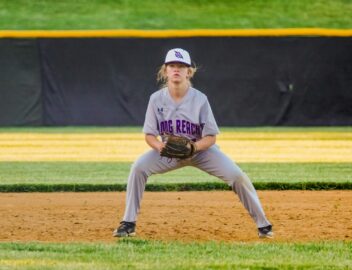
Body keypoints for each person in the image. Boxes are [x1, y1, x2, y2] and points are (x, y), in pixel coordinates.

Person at [113, 48, 273, 239]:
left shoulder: (200, 99)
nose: (176, 69)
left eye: (181, 66)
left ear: (189, 71)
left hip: (202, 152)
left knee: (237, 176)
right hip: (169, 153)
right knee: (138, 167)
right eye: (172, 65)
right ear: (165, 70)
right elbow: (149, 135)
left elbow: (211, 137)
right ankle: (128, 223)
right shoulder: (156, 100)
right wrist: (159, 147)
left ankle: (263, 224)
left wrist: (194, 147)